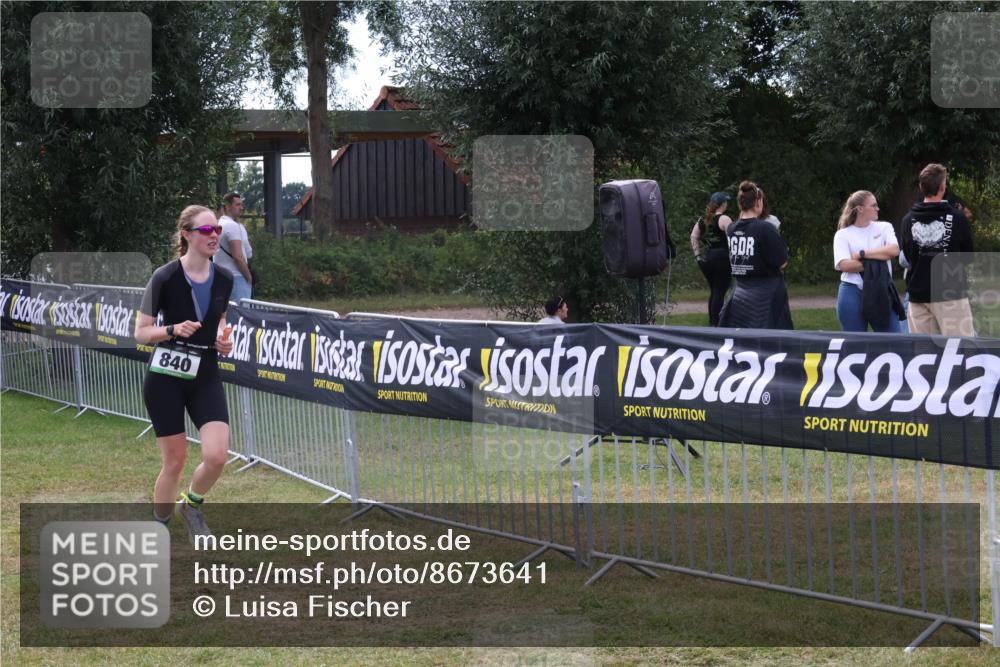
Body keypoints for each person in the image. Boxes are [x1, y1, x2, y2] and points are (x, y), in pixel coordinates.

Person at [136, 205, 235, 539]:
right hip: (165, 377)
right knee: (175, 462)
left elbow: (220, 317)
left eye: (217, 230)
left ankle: (191, 506)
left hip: (205, 372)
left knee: (217, 455)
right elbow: (141, 332)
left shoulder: (225, 278)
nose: (214, 236)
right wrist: (173, 329)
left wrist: (222, 337)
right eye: (206, 230)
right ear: (187, 235)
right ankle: (160, 525)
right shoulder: (164, 277)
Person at [900, 163, 975, 336]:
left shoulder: (907, 220)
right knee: (959, 348)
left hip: (918, 296)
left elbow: (908, 257)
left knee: (923, 351)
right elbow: (968, 257)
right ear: (942, 188)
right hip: (951, 295)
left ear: (921, 187)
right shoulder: (958, 218)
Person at [718, 181, 793, 329]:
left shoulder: (732, 228)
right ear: (758, 202)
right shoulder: (766, 228)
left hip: (739, 293)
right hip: (766, 295)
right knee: (769, 338)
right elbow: (782, 262)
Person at [832, 190, 902, 332]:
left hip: (881, 289)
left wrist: (862, 254)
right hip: (852, 291)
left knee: (893, 340)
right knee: (855, 342)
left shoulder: (884, 227)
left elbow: (894, 250)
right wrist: (880, 259)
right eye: (874, 205)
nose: (878, 208)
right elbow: (844, 265)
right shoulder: (842, 234)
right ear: (860, 209)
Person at [690, 192, 733, 326]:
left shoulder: (703, 219)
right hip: (723, 259)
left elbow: (693, 236)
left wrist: (697, 256)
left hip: (708, 258)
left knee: (714, 291)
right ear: (723, 204)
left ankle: (713, 322)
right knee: (719, 291)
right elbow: (733, 240)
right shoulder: (724, 219)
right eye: (726, 201)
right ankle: (717, 323)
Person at [215, 192, 254, 302]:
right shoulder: (232, 226)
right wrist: (249, 277)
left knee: (224, 311)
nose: (241, 208)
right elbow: (238, 256)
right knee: (240, 311)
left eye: (242, 205)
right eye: (237, 205)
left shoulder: (218, 224)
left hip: (219, 276)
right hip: (237, 278)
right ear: (227, 207)